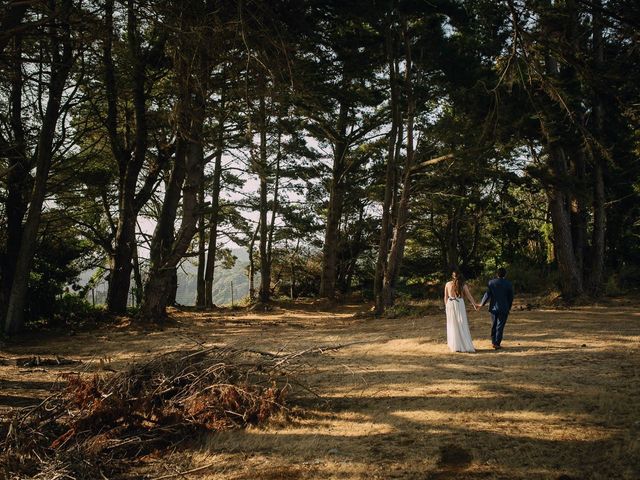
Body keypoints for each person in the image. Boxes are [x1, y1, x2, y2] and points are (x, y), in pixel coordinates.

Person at [479, 267, 514, 350]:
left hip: (493, 308)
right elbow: (511, 297)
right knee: (500, 325)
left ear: (497, 274)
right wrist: (508, 307)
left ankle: (493, 341)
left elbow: (487, 295)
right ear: (505, 274)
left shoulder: (491, 283)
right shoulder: (508, 284)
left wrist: (481, 304)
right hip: (504, 307)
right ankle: (497, 343)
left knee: (493, 324)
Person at [443, 268, 478, 353]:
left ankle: (455, 345)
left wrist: (446, 307)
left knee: (453, 324)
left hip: (450, 304)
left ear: (452, 276)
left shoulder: (447, 284)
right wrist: (475, 305)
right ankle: (463, 344)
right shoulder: (463, 285)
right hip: (459, 304)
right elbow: (469, 296)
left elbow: (445, 297)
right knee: (461, 323)